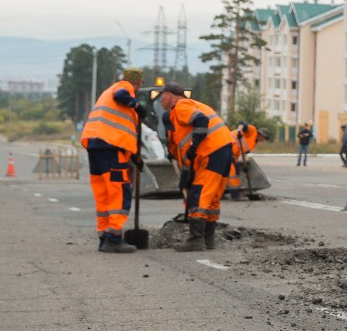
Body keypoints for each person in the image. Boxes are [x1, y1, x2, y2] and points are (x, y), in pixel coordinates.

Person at [156, 82, 235, 251]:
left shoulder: (181, 105)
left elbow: (201, 120)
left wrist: (193, 147)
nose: (161, 101)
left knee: (199, 195)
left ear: (170, 95)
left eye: (162, 96)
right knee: (211, 197)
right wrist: (185, 177)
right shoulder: (185, 113)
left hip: (210, 152)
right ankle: (208, 240)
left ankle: (196, 239)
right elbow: (184, 156)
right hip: (223, 150)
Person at [80, 67, 145, 254]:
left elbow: (120, 130)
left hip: (95, 146)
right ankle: (114, 238)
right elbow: (121, 95)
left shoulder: (107, 93)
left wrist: (135, 158)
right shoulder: (123, 88)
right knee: (120, 192)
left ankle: (104, 237)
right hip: (109, 147)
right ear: (138, 82)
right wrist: (137, 106)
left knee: (103, 194)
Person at [226, 121, 269, 200]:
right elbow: (242, 124)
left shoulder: (254, 142)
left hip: (232, 154)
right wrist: (239, 130)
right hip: (227, 147)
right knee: (234, 174)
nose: (264, 140)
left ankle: (222, 192)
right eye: (264, 138)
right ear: (262, 135)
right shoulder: (252, 131)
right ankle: (235, 195)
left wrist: (244, 163)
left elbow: (242, 152)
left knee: (229, 172)